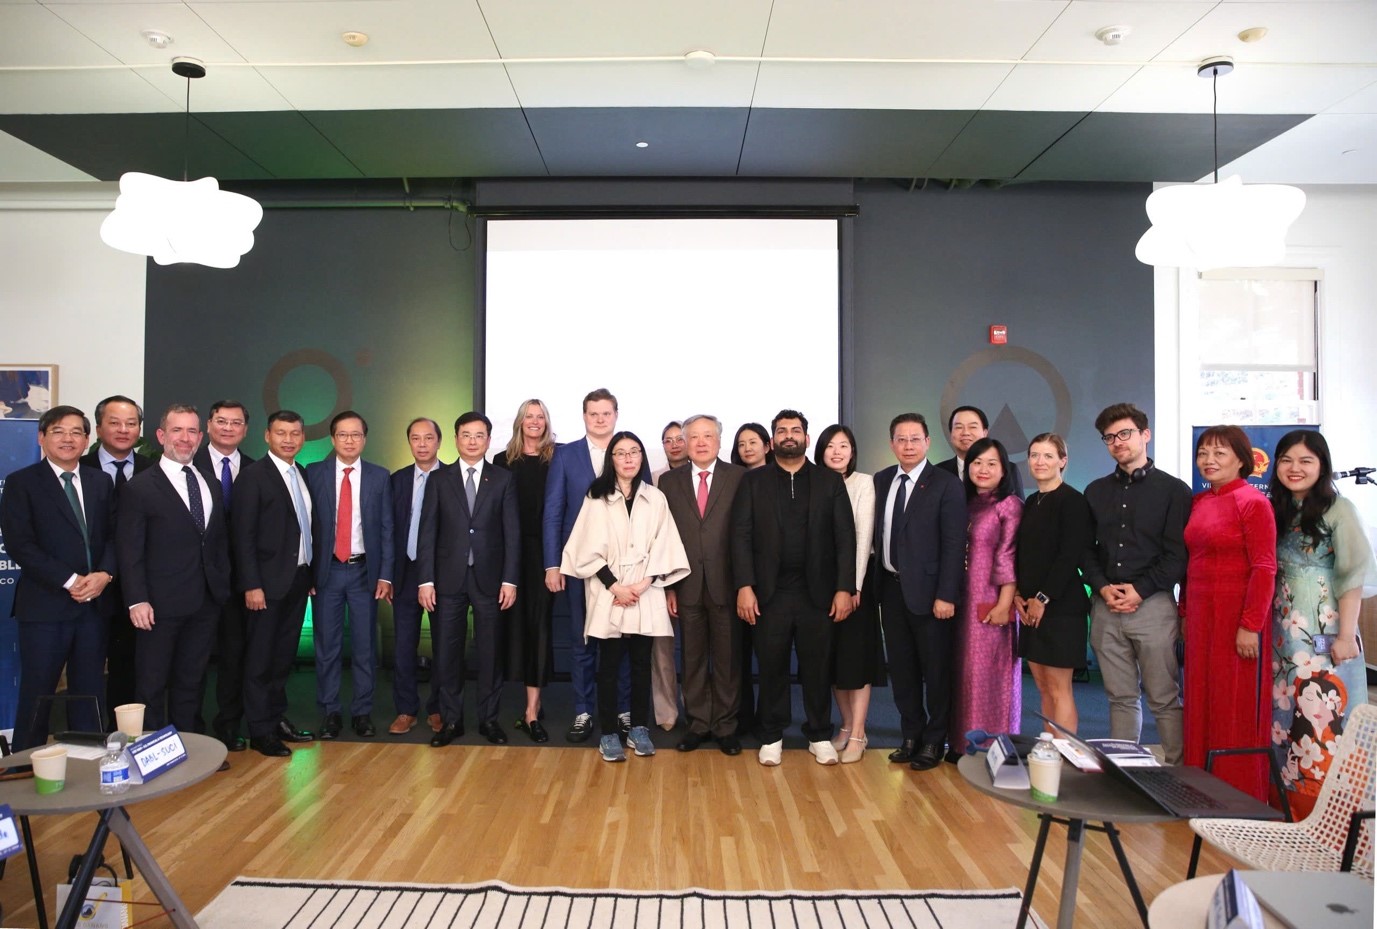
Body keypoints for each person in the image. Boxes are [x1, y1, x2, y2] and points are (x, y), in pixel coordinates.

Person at [732, 410, 855, 766]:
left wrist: (844, 588)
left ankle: (819, 734)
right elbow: (740, 536)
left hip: (818, 594)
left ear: (806, 438)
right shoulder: (753, 482)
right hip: (769, 594)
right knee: (771, 666)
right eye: (782, 431)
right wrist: (744, 585)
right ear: (772, 441)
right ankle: (771, 735)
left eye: (796, 430)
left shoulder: (829, 482)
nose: (789, 435)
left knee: (817, 667)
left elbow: (846, 538)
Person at [561, 432, 689, 762]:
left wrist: (644, 583)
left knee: (641, 663)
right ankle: (608, 733)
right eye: (621, 453)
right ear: (612, 459)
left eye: (634, 452)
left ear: (642, 457)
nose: (628, 458)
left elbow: (665, 544)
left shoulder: (655, 497)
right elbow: (585, 546)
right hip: (610, 591)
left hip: (645, 589)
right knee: (609, 663)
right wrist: (615, 586)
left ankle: (638, 729)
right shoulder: (597, 496)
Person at [1268, 430, 1376, 817]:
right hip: (1283, 634)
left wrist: (1346, 635)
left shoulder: (1338, 509)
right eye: (1286, 460)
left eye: (1305, 461)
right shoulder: (1276, 509)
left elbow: (1352, 576)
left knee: (1325, 713)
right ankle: (1287, 805)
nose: (1294, 468)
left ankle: (1334, 812)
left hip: (1325, 630)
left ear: (1322, 466)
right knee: (1286, 715)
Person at [1082, 402, 1191, 764]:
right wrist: (1102, 587)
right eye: (1109, 437)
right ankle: (1124, 771)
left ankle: (1178, 773)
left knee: (1164, 697)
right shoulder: (1095, 491)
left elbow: (1177, 555)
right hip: (1106, 604)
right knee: (1120, 696)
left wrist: (1139, 591)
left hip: (1153, 605)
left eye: (1125, 433)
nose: (1118, 442)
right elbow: (1086, 550)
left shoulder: (1174, 491)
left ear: (1145, 435)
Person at [0, 406, 115, 750]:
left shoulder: (99, 481)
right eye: (58, 432)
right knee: (38, 691)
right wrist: (70, 580)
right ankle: (23, 763)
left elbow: (113, 536)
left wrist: (104, 575)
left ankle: (89, 759)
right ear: (42, 437)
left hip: (93, 607)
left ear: (87, 439)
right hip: (45, 607)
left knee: (90, 691)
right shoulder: (22, 483)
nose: (68, 439)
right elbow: (20, 544)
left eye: (76, 432)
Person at [117, 404, 230, 734]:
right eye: (177, 430)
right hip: (158, 606)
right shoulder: (139, 488)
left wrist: (220, 585)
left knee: (192, 680)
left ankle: (191, 746)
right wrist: (137, 600)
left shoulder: (210, 483)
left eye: (192, 431)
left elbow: (216, 541)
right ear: (161, 435)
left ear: (200, 437)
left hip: (205, 602)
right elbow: (129, 550)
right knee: (151, 683)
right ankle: (154, 749)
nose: (185, 438)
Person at [543, 388, 648, 742]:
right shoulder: (565, 455)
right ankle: (583, 712)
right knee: (582, 639)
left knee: (622, 639)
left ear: (616, 415)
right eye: (593, 414)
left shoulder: (632, 451)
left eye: (606, 413)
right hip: (580, 566)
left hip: (625, 569)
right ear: (584, 417)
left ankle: (622, 711)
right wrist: (552, 564)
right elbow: (553, 511)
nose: (600, 419)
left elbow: (645, 509)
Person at [1181, 425, 1277, 800]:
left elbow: (1264, 567)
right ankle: (1197, 788)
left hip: (1237, 618)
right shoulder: (1199, 501)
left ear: (1242, 460)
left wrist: (1251, 625)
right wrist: (1184, 612)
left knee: (1232, 703)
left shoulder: (1253, 502)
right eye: (1203, 453)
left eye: (1219, 453)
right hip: (1200, 617)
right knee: (1200, 700)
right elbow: (1191, 563)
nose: (1209, 460)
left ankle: (1236, 795)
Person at [417, 412, 520, 747]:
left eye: (479, 435)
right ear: (456, 439)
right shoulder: (439, 479)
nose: (472, 441)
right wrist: (425, 580)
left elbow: (512, 534)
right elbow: (427, 532)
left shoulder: (503, 479)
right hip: (447, 580)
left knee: (490, 653)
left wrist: (510, 580)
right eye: (466, 435)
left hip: (491, 580)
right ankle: (451, 720)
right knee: (447, 652)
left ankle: (489, 719)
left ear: (488, 440)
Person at [874, 413, 966, 771]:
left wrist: (947, 595)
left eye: (915, 439)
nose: (908, 445)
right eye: (901, 439)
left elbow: (954, 545)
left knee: (936, 671)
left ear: (928, 442)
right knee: (902, 670)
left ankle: (934, 739)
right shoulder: (882, 479)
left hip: (931, 596)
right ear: (891, 444)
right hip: (891, 590)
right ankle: (910, 735)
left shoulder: (946, 484)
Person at [659, 414, 746, 755]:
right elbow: (663, 537)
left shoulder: (739, 478)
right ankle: (697, 724)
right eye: (693, 436)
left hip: (728, 585)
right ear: (685, 442)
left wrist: (746, 584)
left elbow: (748, 532)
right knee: (692, 659)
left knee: (727, 661)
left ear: (719, 441)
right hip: (686, 585)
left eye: (707, 435)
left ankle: (725, 726)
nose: (700, 442)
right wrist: (668, 586)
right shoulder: (669, 482)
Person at [232, 410, 317, 757]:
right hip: (264, 587)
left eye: (295, 433)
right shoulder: (253, 476)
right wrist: (251, 584)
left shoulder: (303, 473)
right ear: (267, 436)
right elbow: (243, 536)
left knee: (282, 657)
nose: (288, 439)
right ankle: (260, 731)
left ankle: (276, 718)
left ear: (303, 438)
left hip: (297, 580)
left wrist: (310, 575)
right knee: (260, 660)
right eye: (281, 433)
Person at [306, 411, 395, 740]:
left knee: (364, 646)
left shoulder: (379, 476)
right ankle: (330, 712)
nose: (349, 440)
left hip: (363, 572)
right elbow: (305, 525)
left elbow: (387, 529)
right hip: (326, 571)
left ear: (364, 439)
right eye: (342, 435)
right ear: (332, 439)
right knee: (326, 647)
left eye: (356, 435)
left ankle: (362, 712)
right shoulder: (313, 473)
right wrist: (307, 574)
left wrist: (385, 575)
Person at [81, 394, 154, 727]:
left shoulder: (154, 470)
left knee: (132, 668)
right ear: (98, 428)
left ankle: (127, 735)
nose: (124, 430)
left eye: (131, 423)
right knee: (88, 669)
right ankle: (92, 735)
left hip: (140, 590)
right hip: (89, 587)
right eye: (115, 423)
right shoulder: (79, 468)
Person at [1014, 433, 1093, 734]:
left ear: (1063, 461)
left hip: (1061, 609)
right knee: (1043, 686)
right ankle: (1050, 746)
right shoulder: (1032, 501)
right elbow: (1025, 554)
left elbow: (1068, 555)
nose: (1040, 461)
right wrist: (1020, 594)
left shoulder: (1073, 501)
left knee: (1060, 688)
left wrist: (1043, 598)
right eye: (1034, 455)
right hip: (1031, 608)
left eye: (1048, 456)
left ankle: (1064, 751)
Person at [951, 438, 1023, 756]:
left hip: (992, 604)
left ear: (1004, 469)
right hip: (961, 603)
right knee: (964, 674)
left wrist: (1005, 604)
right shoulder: (965, 502)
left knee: (991, 677)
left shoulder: (1009, 505)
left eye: (992, 463)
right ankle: (961, 743)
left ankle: (993, 746)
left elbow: (1009, 556)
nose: (983, 469)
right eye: (977, 463)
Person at [814, 424, 882, 764]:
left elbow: (863, 536)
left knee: (856, 660)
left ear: (852, 451)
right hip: (820, 585)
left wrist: (851, 586)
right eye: (830, 446)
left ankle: (858, 732)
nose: (837, 452)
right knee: (832, 661)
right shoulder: (815, 484)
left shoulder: (863, 483)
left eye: (843, 445)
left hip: (856, 583)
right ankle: (844, 726)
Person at [193, 400, 255, 751]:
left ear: (245, 429)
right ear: (208, 425)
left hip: (239, 582)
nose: (228, 428)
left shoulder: (256, 469)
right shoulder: (188, 464)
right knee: (193, 658)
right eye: (221, 421)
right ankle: (190, 728)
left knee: (234, 656)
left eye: (236, 422)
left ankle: (229, 725)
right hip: (196, 581)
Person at [493, 400, 556, 742]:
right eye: (529, 416)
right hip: (508, 555)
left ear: (547, 422)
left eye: (540, 416)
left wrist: (555, 561)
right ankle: (518, 700)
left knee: (539, 626)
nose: (534, 421)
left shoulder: (557, 458)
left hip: (546, 556)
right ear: (520, 421)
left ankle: (532, 710)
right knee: (512, 629)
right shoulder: (502, 461)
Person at [387, 417, 445, 735]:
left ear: (439, 442)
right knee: (404, 644)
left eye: (428, 438)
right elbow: (387, 531)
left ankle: (438, 708)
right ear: (409, 442)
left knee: (443, 644)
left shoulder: (452, 478)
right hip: (405, 572)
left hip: (441, 574)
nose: (422, 444)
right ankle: (406, 709)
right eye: (415, 438)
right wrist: (386, 576)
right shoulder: (396, 480)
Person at [728, 420, 771, 733]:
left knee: (770, 654)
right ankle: (743, 716)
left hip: (772, 580)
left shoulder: (781, 478)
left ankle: (768, 717)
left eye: (753, 442)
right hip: (738, 576)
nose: (747, 448)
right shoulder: (733, 480)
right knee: (739, 654)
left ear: (767, 446)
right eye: (741, 444)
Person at [936, 405, 1024, 498]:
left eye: (973, 427)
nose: (965, 433)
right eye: (959, 427)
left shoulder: (1008, 469)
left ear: (985, 433)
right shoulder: (937, 472)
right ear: (950, 434)